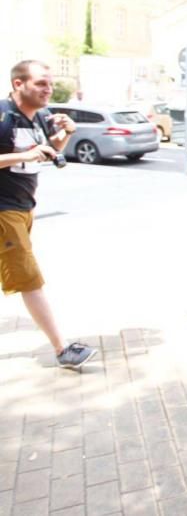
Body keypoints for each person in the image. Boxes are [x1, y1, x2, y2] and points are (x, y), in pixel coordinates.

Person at [0, 60, 97, 368]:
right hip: (5, 210)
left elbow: (48, 151)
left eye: (50, 83)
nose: (48, 89)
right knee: (30, 279)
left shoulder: (39, 117)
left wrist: (65, 135)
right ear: (19, 84)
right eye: (41, 83)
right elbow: (27, 154)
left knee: (20, 274)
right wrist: (25, 154)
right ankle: (62, 350)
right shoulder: (3, 117)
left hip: (25, 207)